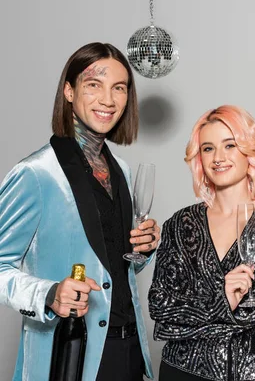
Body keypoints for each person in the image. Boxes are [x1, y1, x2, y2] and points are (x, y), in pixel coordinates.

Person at [0, 42, 160, 380]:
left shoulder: (122, 171)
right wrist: (49, 293)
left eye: (119, 88)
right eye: (94, 85)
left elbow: (111, 259)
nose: (108, 99)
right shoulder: (37, 173)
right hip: (69, 354)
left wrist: (141, 250)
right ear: (69, 91)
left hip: (127, 348)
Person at [148, 105, 255, 381]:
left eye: (229, 145)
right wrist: (223, 298)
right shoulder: (180, 224)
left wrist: (182, 322)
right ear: (199, 158)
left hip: (246, 371)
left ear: (248, 151)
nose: (218, 158)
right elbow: (160, 305)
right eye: (208, 148)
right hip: (180, 371)